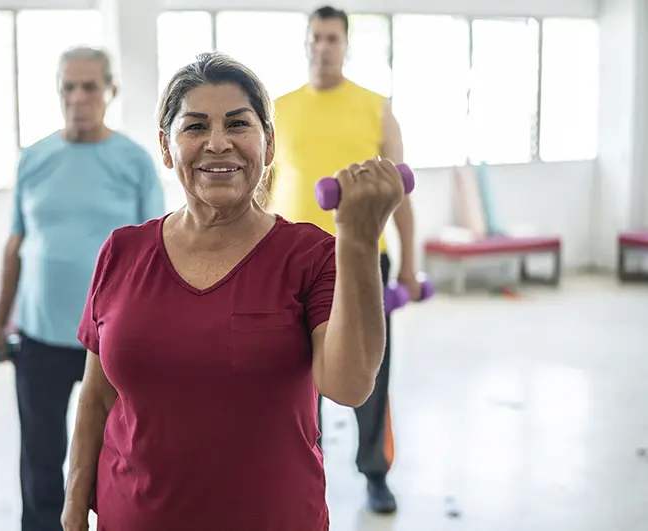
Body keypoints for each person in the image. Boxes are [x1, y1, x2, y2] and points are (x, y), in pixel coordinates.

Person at [61, 52, 404, 531]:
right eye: (196, 127)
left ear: (268, 141)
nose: (217, 144)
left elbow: (348, 385)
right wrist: (75, 509)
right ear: (166, 146)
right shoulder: (122, 251)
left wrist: (360, 240)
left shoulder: (309, 256)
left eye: (238, 125)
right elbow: (97, 398)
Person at [0, 46, 164, 531]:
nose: (79, 97)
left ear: (110, 91)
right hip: (40, 336)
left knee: (114, 457)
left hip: (112, 341)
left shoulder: (134, 161)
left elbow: (156, 253)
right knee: (39, 460)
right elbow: (15, 247)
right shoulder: (34, 159)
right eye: (69, 86)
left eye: (90, 86)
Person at [269, 5, 422, 513]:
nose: (323, 46)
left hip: (360, 260)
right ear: (305, 42)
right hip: (289, 263)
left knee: (369, 374)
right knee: (294, 376)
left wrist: (408, 265)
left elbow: (400, 192)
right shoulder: (279, 108)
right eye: (316, 37)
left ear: (346, 44)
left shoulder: (376, 107)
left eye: (333, 38)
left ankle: (375, 471)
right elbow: (262, 190)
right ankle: (298, 467)